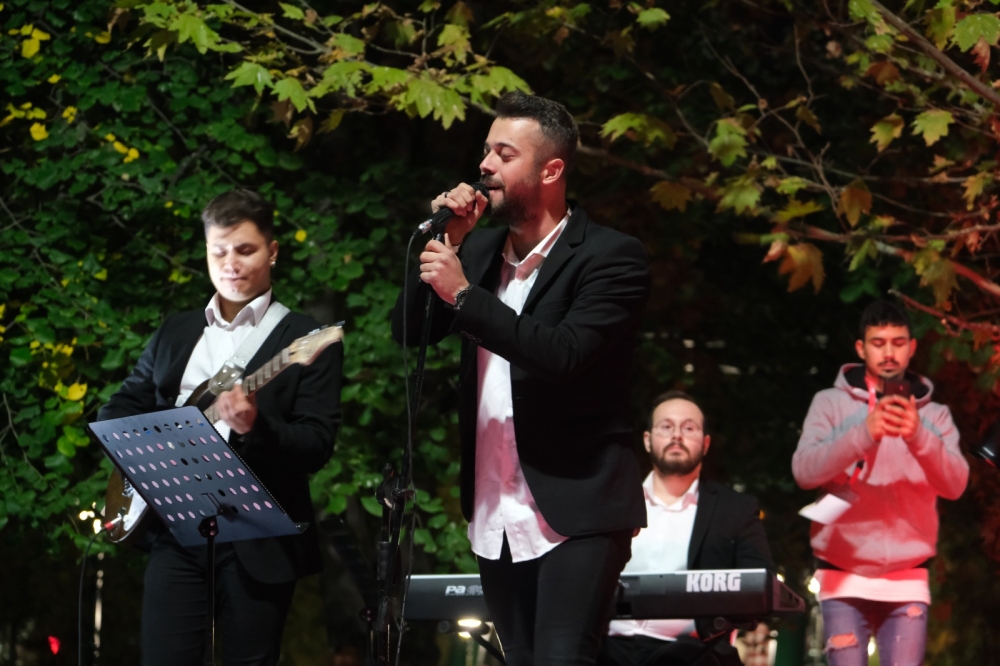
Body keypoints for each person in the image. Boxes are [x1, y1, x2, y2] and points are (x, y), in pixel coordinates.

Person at [391, 91, 651, 665]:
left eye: (505, 154)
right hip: (496, 507)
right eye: (486, 151)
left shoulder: (611, 257)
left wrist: (465, 295)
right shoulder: (479, 252)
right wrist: (449, 241)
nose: (485, 166)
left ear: (550, 170)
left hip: (578, 504)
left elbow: (563, 354)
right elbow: (409, 331)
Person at [98, 190, 342, 666]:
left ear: (272, 251)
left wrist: (255, 426)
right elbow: (119, 406)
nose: (230, 264)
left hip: (259, 539)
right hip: (175, 530)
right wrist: (149, 452)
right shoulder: (177, 330)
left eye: (245, 250)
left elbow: (316, 445)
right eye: (219, 251)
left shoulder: (305, 338)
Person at [792, 300, 968, 666]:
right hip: (841, 570)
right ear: (861, 348)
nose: (889, 352)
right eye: (878, 342)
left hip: (908, 573)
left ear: (912, 347)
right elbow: (804, 472)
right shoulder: (829, 403)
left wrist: (919, 436)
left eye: (898, 342)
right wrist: (863, 433)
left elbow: (955, 485)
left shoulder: (934, 415)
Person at [598, 391, 774, 666]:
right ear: (647, 440)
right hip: (605, 649)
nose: (677, 435)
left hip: (693, 654)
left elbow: (760, 585)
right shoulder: (612, 501)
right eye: (666, 426)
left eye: (689, 428)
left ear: (706, 443)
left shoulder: (735, 510)